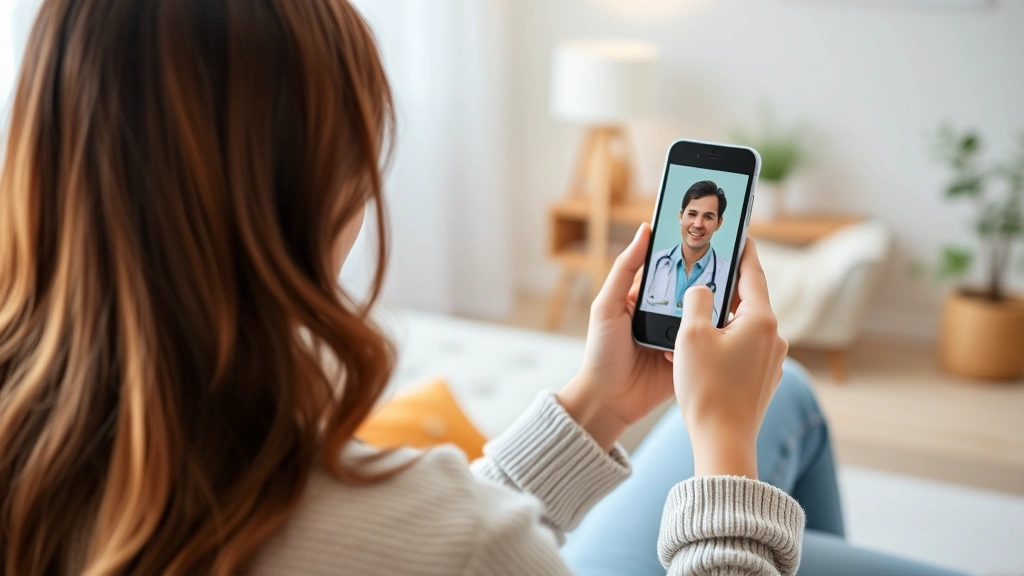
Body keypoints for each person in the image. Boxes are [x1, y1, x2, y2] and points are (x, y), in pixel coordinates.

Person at [0, 1, 965, 575]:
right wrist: (721, 456)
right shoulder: (460, 543)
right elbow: (438, 548)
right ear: (315, 190)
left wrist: (594, 407)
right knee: (778, 405)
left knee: (786, 396)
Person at [642, 180, 733, 324]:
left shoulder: (729, 276)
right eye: (692, 214)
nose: (698, 224)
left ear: (719, 223)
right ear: (681, 216)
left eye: (708, 217)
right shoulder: (652, 263)